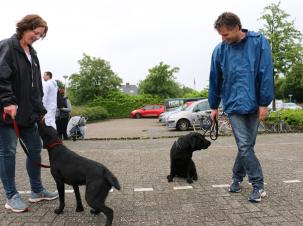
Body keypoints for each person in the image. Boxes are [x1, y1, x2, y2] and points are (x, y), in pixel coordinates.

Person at [208, 12, 273, 203]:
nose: (223, 38)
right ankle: (258, 185)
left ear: (237, 28)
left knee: (246, 146)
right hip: (233, 104)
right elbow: (215, 79)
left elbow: (266, 73)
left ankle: (236, 178)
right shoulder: (220, 50)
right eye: (220, 35)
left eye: (226, 34)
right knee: (244, 145)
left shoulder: (259, 42)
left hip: (255, 104)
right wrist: (213, 106)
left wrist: (264, 103)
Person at [0, 14, 58, 213]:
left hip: (28, 114)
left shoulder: (32, 54)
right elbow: (2, 76)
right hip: (8, 113)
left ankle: (37, 190)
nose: (37, 37)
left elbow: (36, 87)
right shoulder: (7, 46)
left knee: (35, 149)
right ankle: (11, 196)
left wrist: (40, 110)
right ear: (26, 27)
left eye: (40, 35)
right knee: (7, 153)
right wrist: (7, 101)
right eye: (36, 32)